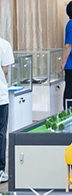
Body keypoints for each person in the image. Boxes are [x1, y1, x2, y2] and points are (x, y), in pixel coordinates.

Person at [0, 37, 15, 183]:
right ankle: (0, 170)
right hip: (1, 97)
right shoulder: (4, 45)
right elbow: (5, 70)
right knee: (1, 132)